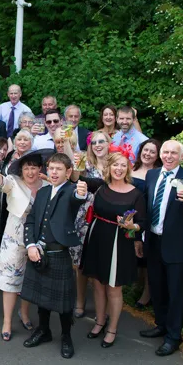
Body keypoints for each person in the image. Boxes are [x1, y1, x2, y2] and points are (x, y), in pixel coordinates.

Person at [140, 140, 183, 356]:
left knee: (175, 293)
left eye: (174, 153)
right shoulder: (152, 175)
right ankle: (161, 324)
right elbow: (145, 207)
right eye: (166, 152)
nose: (169, 156)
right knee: (157, 288)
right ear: (160, 155)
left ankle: (173, 337)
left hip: (176, 247)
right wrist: (138, 237)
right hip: (153, 242)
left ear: (181, 156)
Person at [21, 154, 88, 359]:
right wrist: (31, 245)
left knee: (63, 302)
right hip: (39, 251)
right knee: (41, 297)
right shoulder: (42, 193)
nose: (54, 172)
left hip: (59, 253)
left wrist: (81, 193)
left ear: (68, 172)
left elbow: (78, 198)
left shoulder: (71, 191)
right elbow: (31, 220)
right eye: (51, 168)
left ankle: (66, 336)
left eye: (59, 169)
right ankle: (44, 330)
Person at [79, 151, 147, 348]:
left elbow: (141, 223)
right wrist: (73, 153)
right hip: (97, 237)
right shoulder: (100, 187)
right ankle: (100, 321)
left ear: (128, 169)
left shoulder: (136, 194)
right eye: (115, 165)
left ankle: (112, 328)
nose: (118, 169)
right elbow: (77, 177)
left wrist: (131, 227)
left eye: (122, 165)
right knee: (98, 284)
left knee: (114, 288)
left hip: (119, 242)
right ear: (108, 167)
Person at [0, 152, 45, 341]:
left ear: (40, 168)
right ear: (21, 170)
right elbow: (0, 181)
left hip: (38, 239)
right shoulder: (14, 181)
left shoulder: (47, 185)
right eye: (27, 168)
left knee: (30, 279)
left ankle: (24, 313)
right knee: (10, 280)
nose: (30, 171)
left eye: (34, 167)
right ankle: (7, 321)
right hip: (14, 237)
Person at [69, 129, 111, 317]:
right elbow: (74, 177)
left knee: (102, 263)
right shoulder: (84, 162)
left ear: (109, 142)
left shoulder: (116, 163)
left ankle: (103, 307)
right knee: (79, 264)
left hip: (107, 219)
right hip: (84, 217)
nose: (98, 145)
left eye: (101, 141)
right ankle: (79, 301)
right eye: (94, 143)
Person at [130, 138, 161, 309]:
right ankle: (133, 286)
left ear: (157, 156)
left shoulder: (157, 173)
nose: (147, 154)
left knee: (145, 257)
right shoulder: (131, 168)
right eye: (145, 150)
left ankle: (147, 293)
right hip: (128, 218)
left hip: (145, 220)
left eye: (152, 152)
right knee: (132, 255)